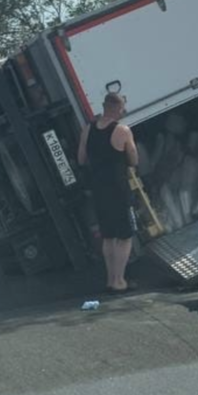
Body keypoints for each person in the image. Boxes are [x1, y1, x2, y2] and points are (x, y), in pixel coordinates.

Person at [77, 92, 139, 292]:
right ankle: (120, 281)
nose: (123, 112)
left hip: (99, 189)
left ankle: (110, 280)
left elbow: (81, 159)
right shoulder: (122, 130)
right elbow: (133, 159)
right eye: (122, 108)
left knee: (108, 236)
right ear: (116, 108)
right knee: (125, 236)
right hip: (118, 189)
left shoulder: (88, 129)